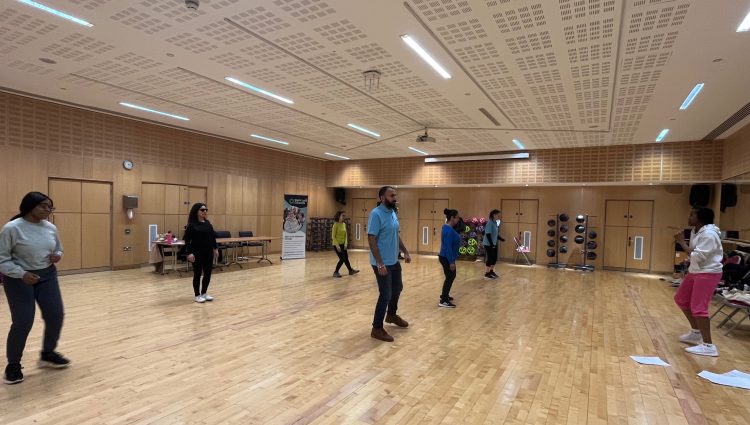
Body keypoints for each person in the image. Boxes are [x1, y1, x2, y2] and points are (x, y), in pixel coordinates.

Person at [0, 192, 70, 385]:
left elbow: (59, 248)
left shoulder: (50, 227)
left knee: (56, 314)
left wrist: (57, 254)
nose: (48, 210)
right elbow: (2, 259)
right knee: (23, 321)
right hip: (19, 278)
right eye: (44, 206)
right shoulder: (12, 228)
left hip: (47, 276)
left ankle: (47, 353)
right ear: (30, 206)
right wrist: (21, 274)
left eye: (50, 207)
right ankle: (13, 364)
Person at [673, 207, 723, 357]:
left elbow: (698, 255)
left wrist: (682, 242)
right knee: (680, 298)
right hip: (696, 271)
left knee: (698, 307)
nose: (689, 217)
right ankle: (696, 332)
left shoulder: (709, 234)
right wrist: (689, 259)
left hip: (708, 273)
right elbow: (696, 253)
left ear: (700, 218)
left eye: (692, 214)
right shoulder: (696, 231)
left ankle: (709, 345)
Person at [368, 186, 411, 342]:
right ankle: (377, 328)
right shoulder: (376, 214)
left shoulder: (392, 212)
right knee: (385, 294)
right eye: (391, 195)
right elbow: (371, 239)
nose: (395, 198)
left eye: (395, 195)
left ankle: (391, 315)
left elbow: (395, 234)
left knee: (398, 288)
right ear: (382, 198)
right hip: (381, 263)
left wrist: (405, 251)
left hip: (393, 260)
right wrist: (379, 263)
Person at [184, 203, 218, 304]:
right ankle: (197, 295)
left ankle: (204, 293)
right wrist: (189, 253)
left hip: (208, 253)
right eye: (202, 210)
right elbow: (187, 241)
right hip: (196, 253)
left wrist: (215, 249)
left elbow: (212, 237)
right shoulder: (191, 225)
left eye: (206, 210)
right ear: (196, 211)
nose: (205, 212)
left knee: (207, 274)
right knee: (197, 274)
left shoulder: (207, 223)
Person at [438, 209, 461, 308]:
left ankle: (445, 295)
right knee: (450, 277)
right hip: (446, 257)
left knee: (451, 276)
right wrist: (451, 262)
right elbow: (447, 247)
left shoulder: (449, 228)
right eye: (457, 218)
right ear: (452, 218)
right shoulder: (448, 230)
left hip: (447, 257)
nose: (458, 220)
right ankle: (443, 301)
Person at [332, 210, 359, 278]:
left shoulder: (344, 224)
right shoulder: (335, 225)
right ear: (339, 216)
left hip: (343, 244)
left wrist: (346, 244)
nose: (344, 217)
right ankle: (336, 272)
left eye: (344, 215)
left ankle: (350, 270)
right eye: (343, 215)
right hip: (336, 244)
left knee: (346, 258)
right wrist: (337, 246)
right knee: (342, 259)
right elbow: (333, 236)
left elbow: (346, 235)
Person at [483, 209, 502, 279]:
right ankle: (487, 273)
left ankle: (491, 271)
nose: (499, 216)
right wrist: (491, 244)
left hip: (493, 243)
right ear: (494, 215)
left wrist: (501, 239)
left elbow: (495, 234)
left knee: (494, 258)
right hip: (488, 244)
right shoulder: (489, 223)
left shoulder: (495, 223)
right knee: (490, 258)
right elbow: (488, 234)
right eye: (498, 215)